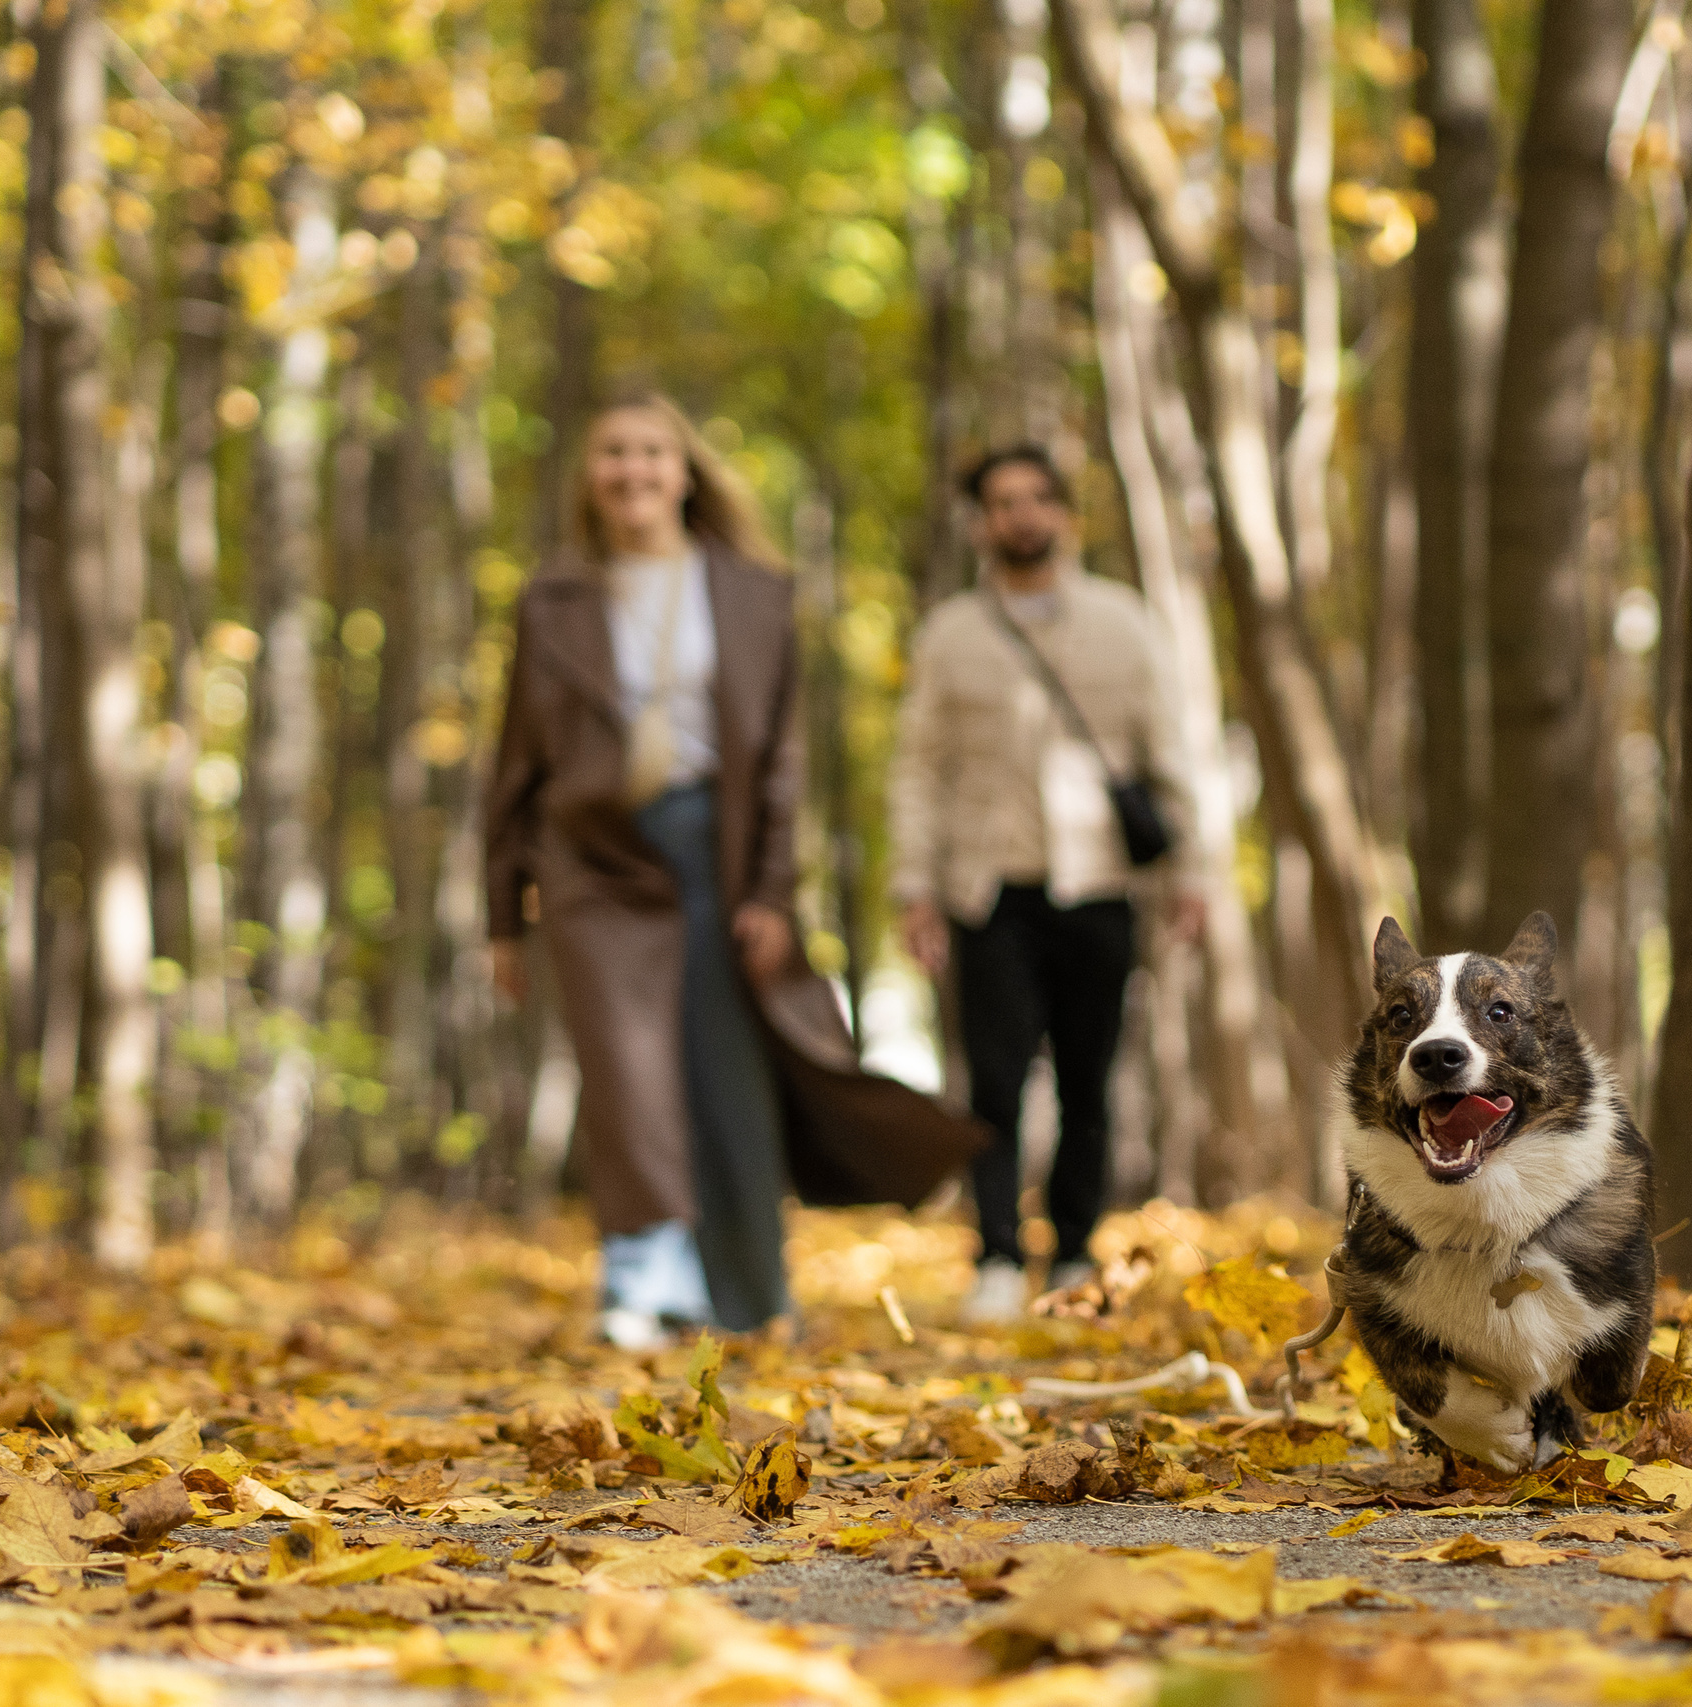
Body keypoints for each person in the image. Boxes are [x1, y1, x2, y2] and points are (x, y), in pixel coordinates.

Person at [484, 388, 812, 1350]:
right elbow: (514, 766)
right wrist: (504, 914)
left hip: (718, 846)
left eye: (651, 453)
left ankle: (752, 1295)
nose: (633, 470)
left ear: (685, 470)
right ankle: (643, 1281)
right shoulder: (553, 600)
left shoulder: (754, 591)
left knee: (725, 1072)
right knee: (627, 1071)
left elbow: (784, 763)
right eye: (613, 453)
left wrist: (771, 890)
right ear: (591, 475)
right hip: (594, 855)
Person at [890, 445, 1204, 1325]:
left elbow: (1171, 753)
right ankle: (994, 1253)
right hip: (990, 893)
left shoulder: (1125, 622)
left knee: (1088, 1082)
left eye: (1037, 499)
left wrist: (1195, 874)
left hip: (1100, 887)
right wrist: (914, 889)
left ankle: (1071, 1250)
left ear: (1064, 514)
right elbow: (919, 770)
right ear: (980, 522)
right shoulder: (950, 632)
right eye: (1002, 502)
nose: (1021, 515)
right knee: (992, 1082)